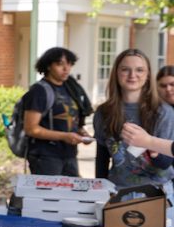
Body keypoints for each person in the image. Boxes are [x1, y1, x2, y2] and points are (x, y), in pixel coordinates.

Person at [94, 49, 174, 209]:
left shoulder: (163, 112)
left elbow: (165, 163)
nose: (132, 75)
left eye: (139, 70)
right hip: (117, 192)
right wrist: (100, 189)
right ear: (116, 73)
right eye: (125, 69)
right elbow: (102, 157)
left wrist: (149, 145)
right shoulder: (103, 112)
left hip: (157, 193)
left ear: (147, 75)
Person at [22, 47, 91, 176]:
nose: (66, 69)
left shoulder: (71, 88)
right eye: (60, 64)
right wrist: (65, 136)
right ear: (48, 66)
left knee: (73, 195)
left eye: (69, 64)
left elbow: (72, 119)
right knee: (50, 195)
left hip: (69, 154)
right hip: (45, 156)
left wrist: (81, 133)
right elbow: (31, 129)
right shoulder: (39, 91)